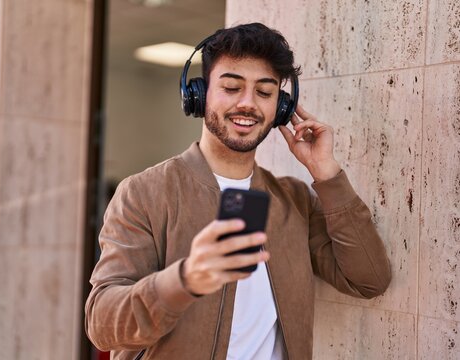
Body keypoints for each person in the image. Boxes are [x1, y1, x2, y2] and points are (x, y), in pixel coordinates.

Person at [85, 22, 391, 360]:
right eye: (231, 87)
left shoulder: (294, 200)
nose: (248, 104)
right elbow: (101, 325)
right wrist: (183, 280)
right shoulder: (144, 193)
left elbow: (370, 280)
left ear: (282, 107)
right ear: (198, 95)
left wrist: (326, 173)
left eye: (264, 92)